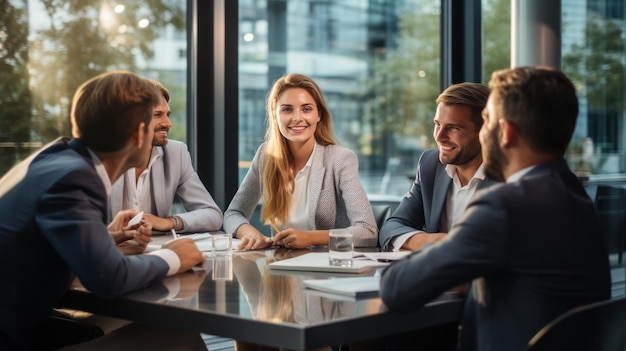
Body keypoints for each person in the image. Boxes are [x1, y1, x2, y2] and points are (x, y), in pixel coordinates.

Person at [380, 66, 611, 351]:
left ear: (505, 132)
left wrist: (462, 266)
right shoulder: (575, 195)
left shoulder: (505, 205)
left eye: (487, 120)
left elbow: (397, 288)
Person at [0, 71, 206, 350]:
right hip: (12, 338)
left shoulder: (56, 157)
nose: (166, 125)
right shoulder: (76, 179)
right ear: (138, 134)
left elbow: (38, 245)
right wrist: (174, 256)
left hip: (28, 323)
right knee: (182, 338)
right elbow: (109, 278)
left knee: (103, 330)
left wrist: (106, 238)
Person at [223, 73, 377, 251]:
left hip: (329, 271)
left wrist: (311, 238)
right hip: (281, 271)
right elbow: (233, 214)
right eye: (287, 109)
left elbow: (368, 232)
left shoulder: (340, 159)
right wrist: (251, 234)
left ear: (318, 115)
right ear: (275, 115)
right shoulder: (266, 156)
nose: (297, 118)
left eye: (306, 109)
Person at [379, 82, 497, 252]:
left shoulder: (509, 177)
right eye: (437, 124)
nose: (439, 136)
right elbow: (392, 227)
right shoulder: (430, 165)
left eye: (453, 128)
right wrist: (431, 240)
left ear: (485, 131)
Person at [110, 80, 223, 233]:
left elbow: (213, 215)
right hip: (108, 252)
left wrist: (168, 222)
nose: (168, 123)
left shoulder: (177, 153)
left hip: (155, 250)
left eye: (167, 114)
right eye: (157, 115)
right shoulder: (102, 156)